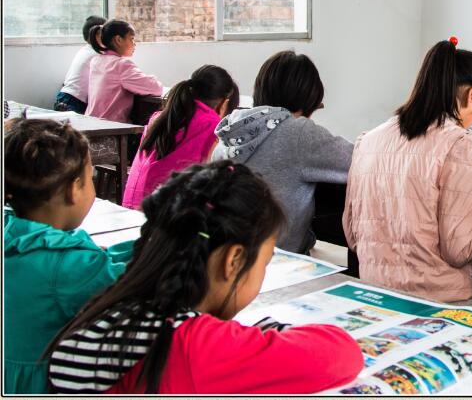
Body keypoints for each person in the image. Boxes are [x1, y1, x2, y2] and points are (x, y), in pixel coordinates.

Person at [45, 161, 364, 394]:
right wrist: (260, 332)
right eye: (264, 262)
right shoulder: (192, 347)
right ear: (233, 260)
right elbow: (340, 354)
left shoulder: (104, 310)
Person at [343, 39, 472, 308]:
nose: (470, 124)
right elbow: (458, 250)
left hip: (377, 296)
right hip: (439, 300)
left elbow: (352, 235)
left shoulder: (369, 140)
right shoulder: (462, 144)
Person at [3, 119, 134, 394]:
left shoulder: (12, 233)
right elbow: (132, 281)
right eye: (90, 178)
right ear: (74, 189)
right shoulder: (68, 265)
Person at [213, 50, 352, 254]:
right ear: (306, 100)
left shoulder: (232, 130)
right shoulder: (297, 132)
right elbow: (361, 162)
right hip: (280, 260)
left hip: (228, 254)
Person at [123, 65, 239, 210]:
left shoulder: (161, 116)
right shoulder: (213, 126)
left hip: (132, 204)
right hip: (165, 211)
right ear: (224, 103)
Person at [85, 19, 163, 123]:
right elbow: (156, 88)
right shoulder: (121, 65)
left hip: (91, 122)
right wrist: (152, 78)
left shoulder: (96, 60)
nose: (134, 44)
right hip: (110, 127)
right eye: (131, 39)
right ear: (118, 40)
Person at [54, 15, 106, 114]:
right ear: (97, 34)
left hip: (66, 96)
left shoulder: (85, 50)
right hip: (74, 100)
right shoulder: (97, 55)